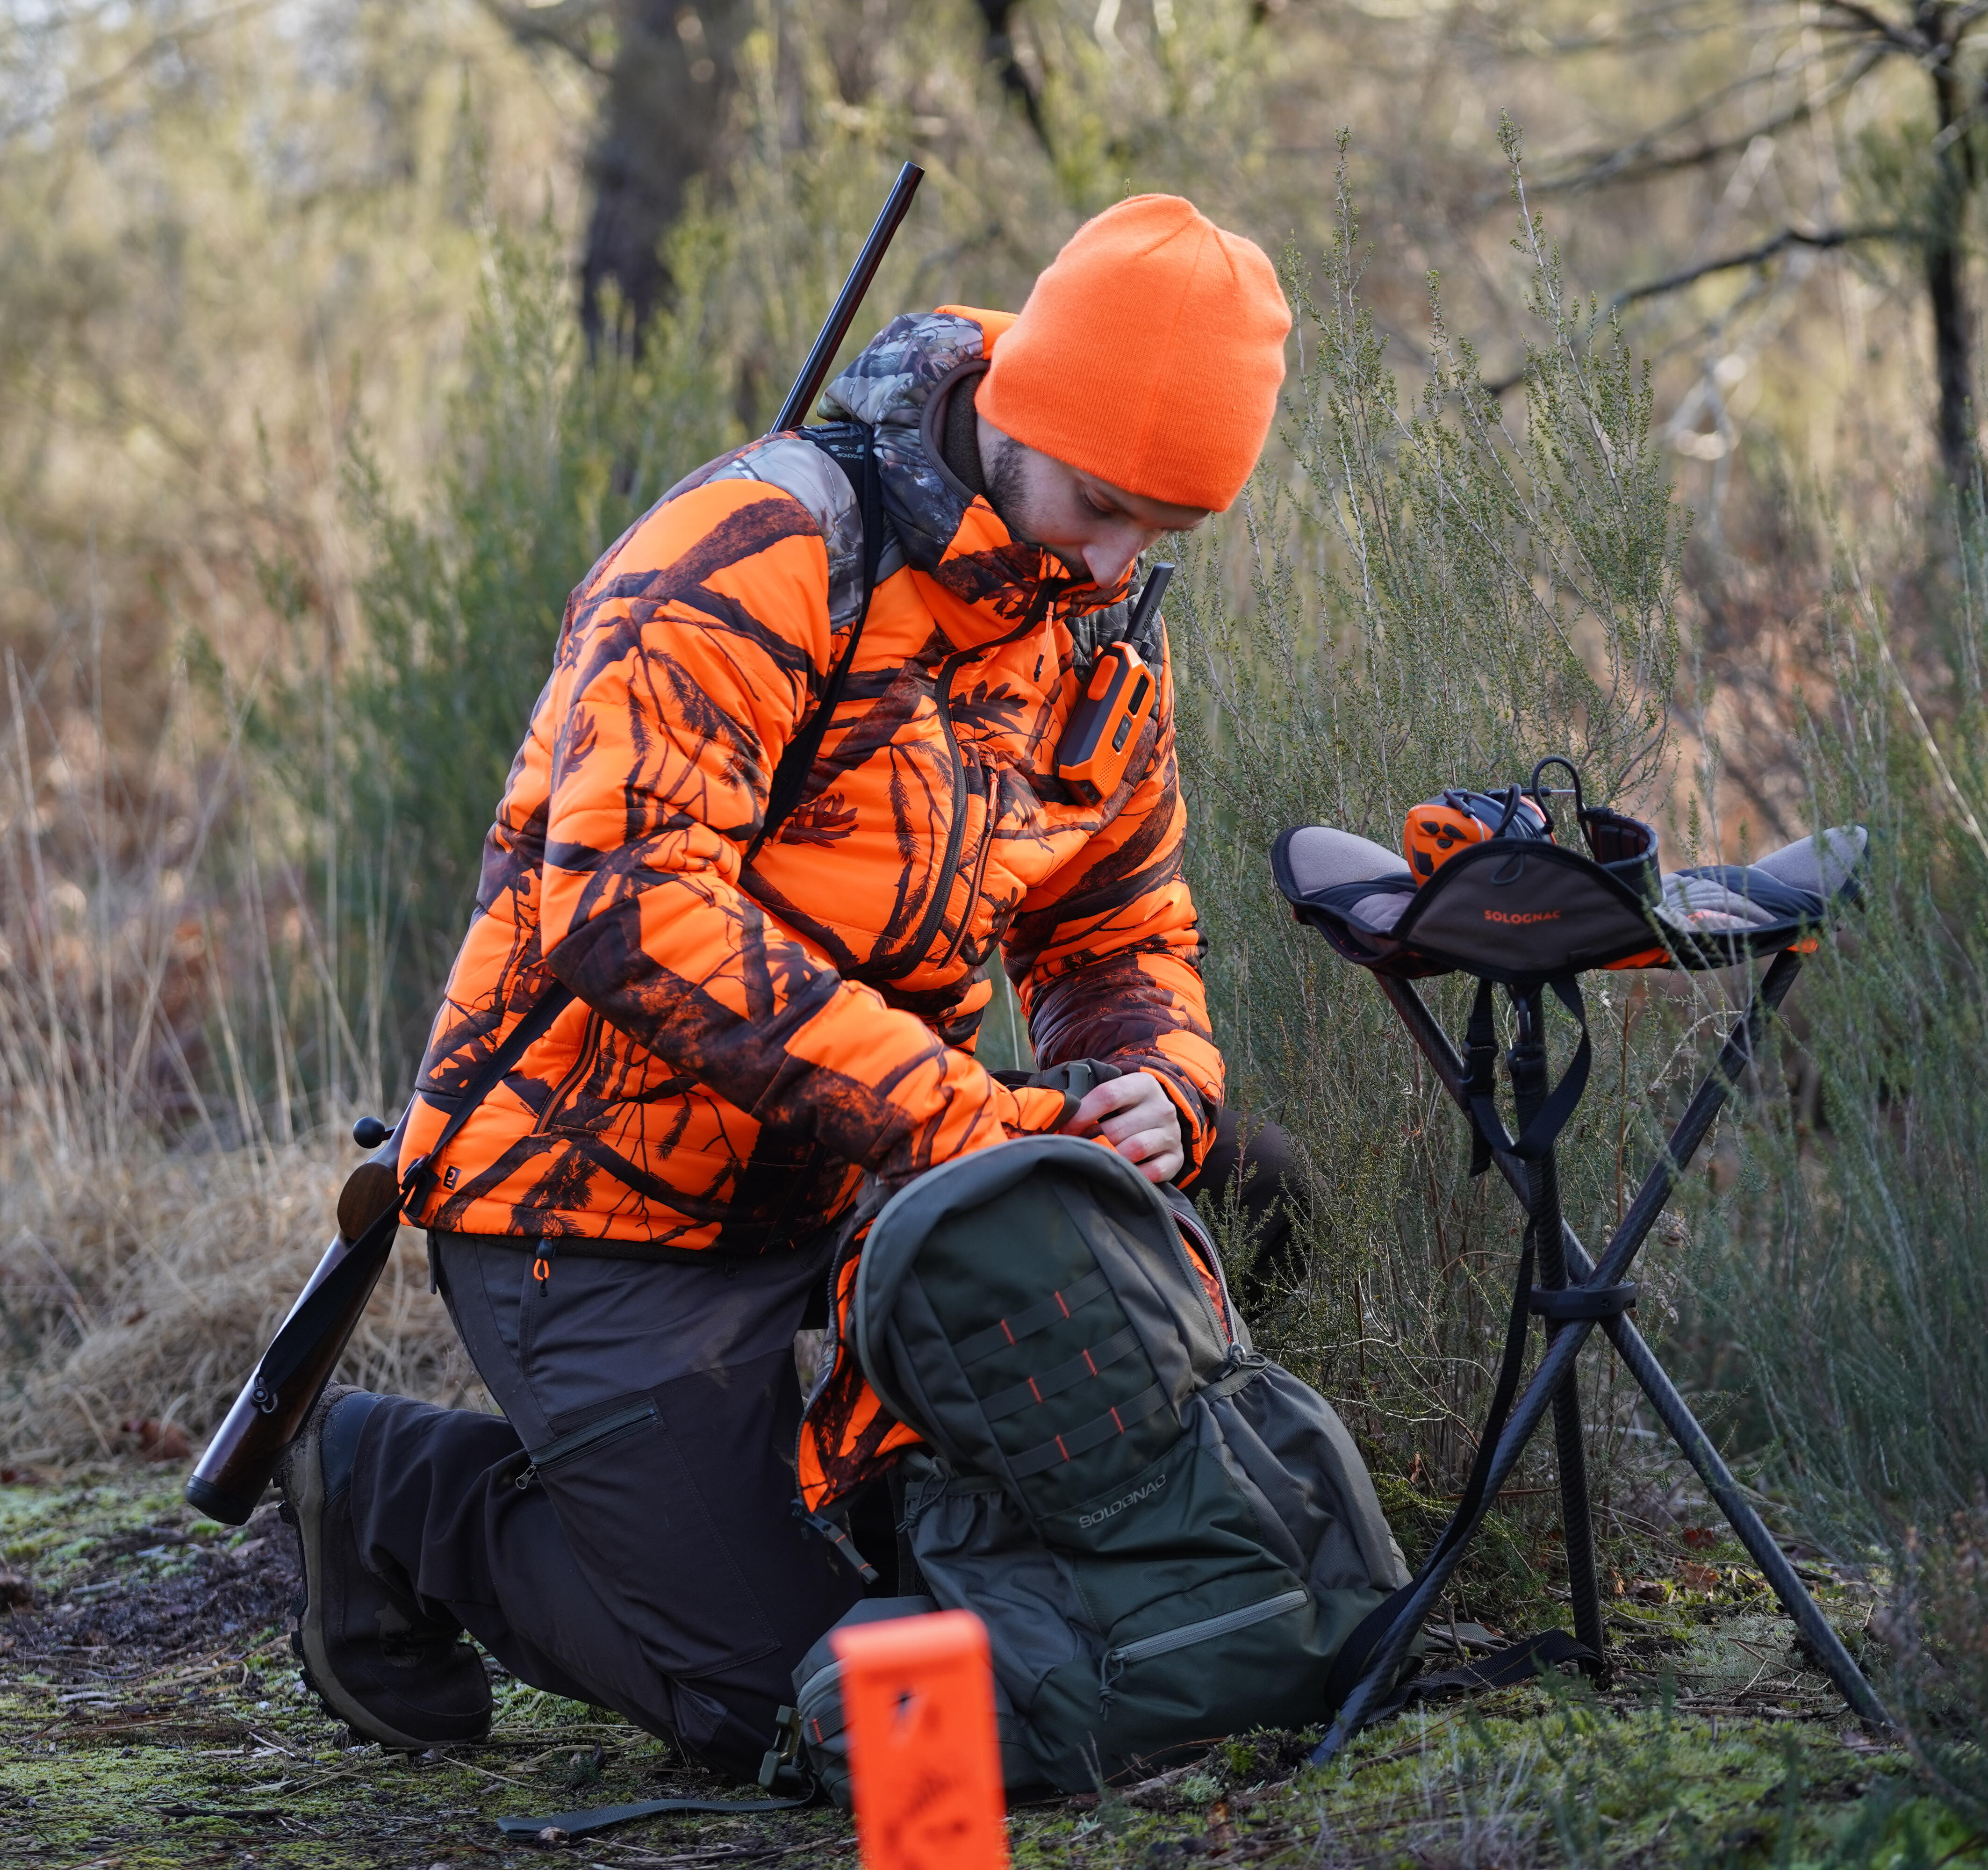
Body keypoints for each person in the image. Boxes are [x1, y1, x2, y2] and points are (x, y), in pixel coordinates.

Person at [279, 194, 1312, 1773]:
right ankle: (392, 1488)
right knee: (809, 1717)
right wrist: (970, 1123)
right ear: (1020, 409)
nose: (1118, 564)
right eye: (1105, 504)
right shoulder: (755, 551)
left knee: (976, 1603)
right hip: (589, 1211)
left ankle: (813, 1515)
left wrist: (1153, 1086)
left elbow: (1116, 926)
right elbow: (626, 912)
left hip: (862, 1204)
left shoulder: (1094, 632)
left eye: (1164, 534)